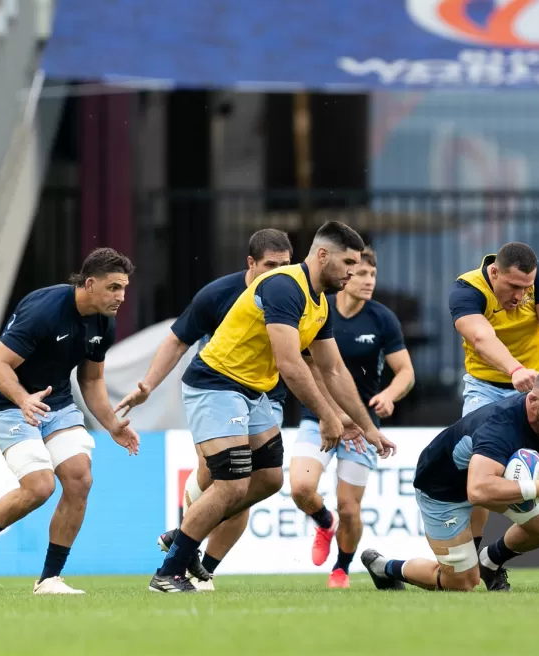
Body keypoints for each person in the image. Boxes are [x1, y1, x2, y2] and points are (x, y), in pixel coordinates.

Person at [147, 221, 396, 592]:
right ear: (322, 255)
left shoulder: (320, 302)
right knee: (230, 485)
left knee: (269, 479)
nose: (352, 272)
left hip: (254, 392)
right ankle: (169, 571)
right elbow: (291, 364)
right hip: (216, 384)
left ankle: (182, 534)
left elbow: (333, 369)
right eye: (348, 262)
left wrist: (368, 426)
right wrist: (329, 418)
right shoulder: (284, 286)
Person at [115, 229, 294, 590]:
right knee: (226, 479)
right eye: (270, 265)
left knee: (259, 483)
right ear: (250, 263)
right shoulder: (218, 294)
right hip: (218, 390)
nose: (278, 273)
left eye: (285, 266)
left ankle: (192, 554)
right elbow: (177, 340)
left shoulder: (293, 295)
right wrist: (148, 384)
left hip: (264, 395)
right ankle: (180, 563)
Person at [0, 249, 139, 595]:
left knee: (80, 479)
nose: (121, 297)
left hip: (56, 403)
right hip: (11, 404)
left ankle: (50, 579)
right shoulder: (43, 310)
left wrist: (113, 424)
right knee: (40, 487)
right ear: (90, 283)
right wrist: (23, 399)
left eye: (124, 288)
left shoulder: (103, 321)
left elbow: (91, 381)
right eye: (114, 288)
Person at [361, 368, 539, 592]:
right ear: (532, 401)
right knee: (462, 583)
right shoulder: (499, 427)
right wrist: (538, 487)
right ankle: (385, 568)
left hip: (491, 478)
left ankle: (490, 561)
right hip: (442, 489)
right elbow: (477, 491)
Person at [449, 242, 539, 590]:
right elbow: (481, 337)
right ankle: (476, 565)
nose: (522, 296)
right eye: (513, 287)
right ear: (494, 273)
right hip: (488, 388)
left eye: (527, 288)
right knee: (476, 474)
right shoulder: (466, 289)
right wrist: (514, 369)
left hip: (536, 390)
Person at [290, 248, 415, 588]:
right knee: (301, 488)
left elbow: (405, 372)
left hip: (362, 427)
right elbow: (308, 366)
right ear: (345, 277)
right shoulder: (319, 309)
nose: (368, 281)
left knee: (350, 508)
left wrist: (389, 395)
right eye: (361, 274)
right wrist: (330, 413)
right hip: (317, 418)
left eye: (372, 275)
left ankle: (341, 568)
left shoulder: (382, 318)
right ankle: (323, 522)